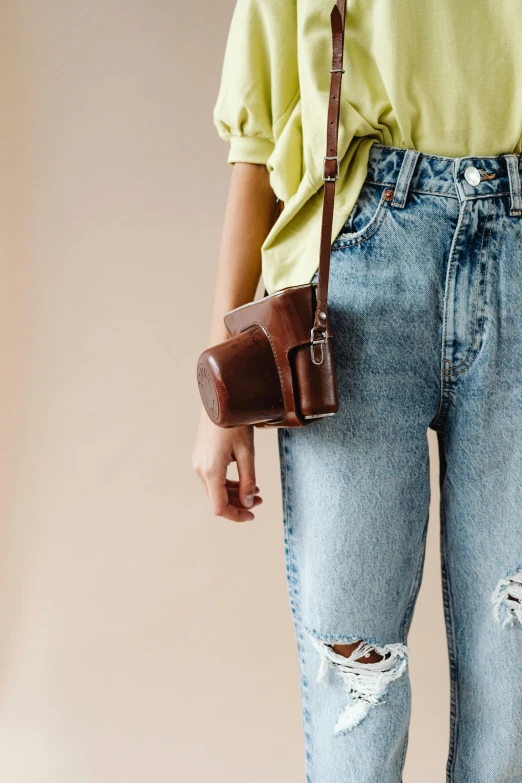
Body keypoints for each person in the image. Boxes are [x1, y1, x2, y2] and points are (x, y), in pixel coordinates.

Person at [192, 1, 522, 780]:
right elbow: (259, 143)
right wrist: (220, 381)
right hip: (357, 279)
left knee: (512, 675)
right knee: (356, 677)